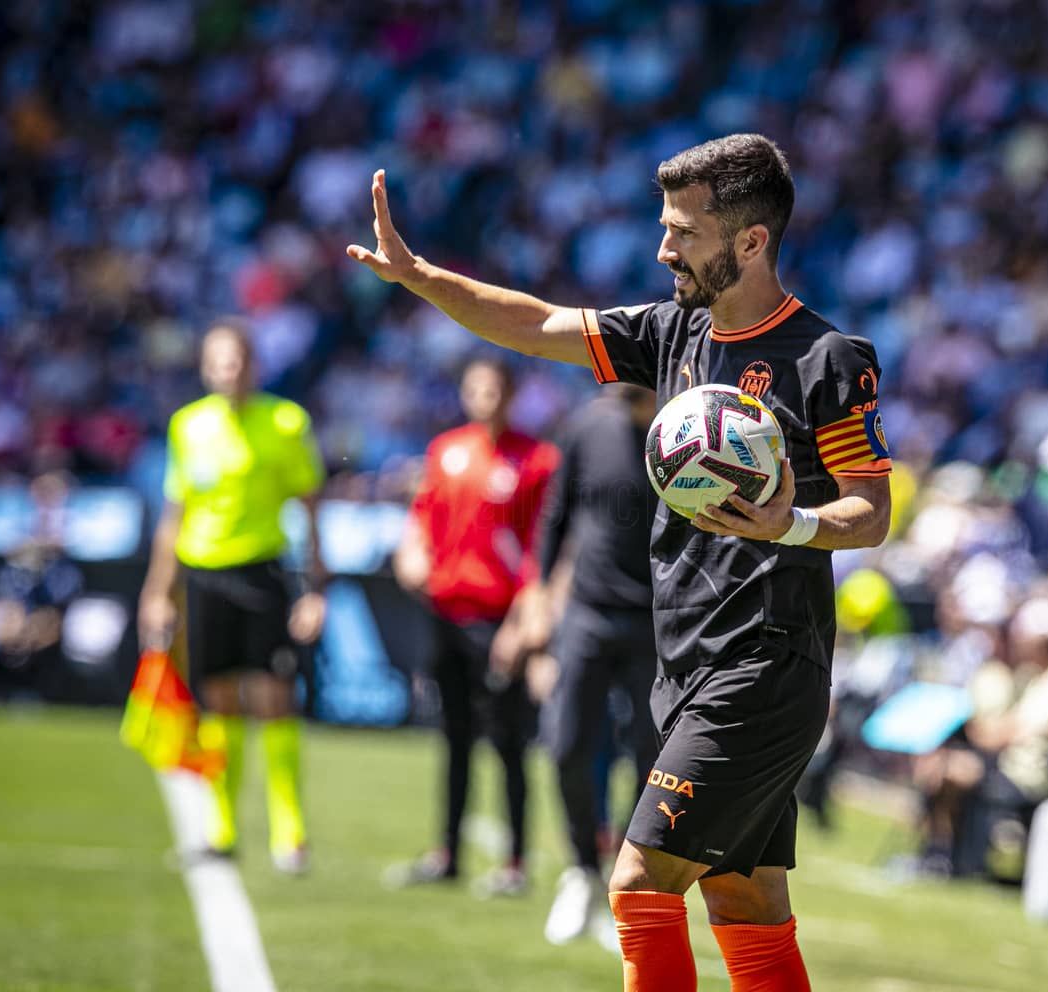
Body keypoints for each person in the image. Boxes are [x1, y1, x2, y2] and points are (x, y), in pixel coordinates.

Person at [350, 132, 892, 991]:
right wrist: (422, 279)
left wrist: (788, 525)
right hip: (685, 664)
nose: (661, 247)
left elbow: (870, 514)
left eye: (683, 230)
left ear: (750, 241)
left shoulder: (827, 360)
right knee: (745, 899)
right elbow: (534, 323)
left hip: (764, 665)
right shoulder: (669, 331)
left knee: (638, 883)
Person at [138, 321, 327, 874]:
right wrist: (158, 591)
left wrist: (314, 588)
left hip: (264, 572)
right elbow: (175, 515)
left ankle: (288, 831)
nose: (230, 370)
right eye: (219, 360)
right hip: (204, 575)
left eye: (238, 360)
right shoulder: (187, 426)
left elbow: (311, 508)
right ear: (205, 367)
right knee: (216, 698)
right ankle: (220, 827)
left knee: (274, 697)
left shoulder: (286, 422)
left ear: (254, 365)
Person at [383, 358, 559, 896]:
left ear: (511, 395)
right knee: (453, 738)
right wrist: (409, 554)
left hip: (498, 619)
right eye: (476, 389)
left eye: (494, 390)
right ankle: (448, 853)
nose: (485, 399)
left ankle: (514, 862)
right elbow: (422, 518)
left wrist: (524, 621)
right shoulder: (446, 451)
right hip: (445, 613)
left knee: (508, 742)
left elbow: (541, 549)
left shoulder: (537, 460)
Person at [526, 382, 662, 945]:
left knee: (651, 760)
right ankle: (582, 868)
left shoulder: (687, 432)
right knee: (565, 743)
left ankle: (622, 885)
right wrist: (536, 600)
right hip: (587, 611)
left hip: (658, 620)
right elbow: (556, 516)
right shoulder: (587, 427)